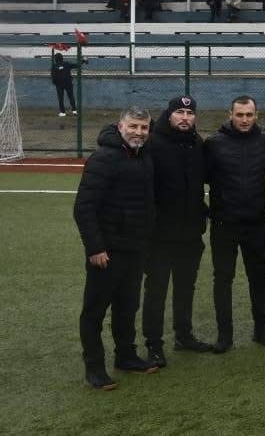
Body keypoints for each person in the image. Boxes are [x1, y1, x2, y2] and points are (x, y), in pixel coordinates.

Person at [75, 108, 157, 389]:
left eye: (144, 128)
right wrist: (95, 247)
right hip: (107, 251)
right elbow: (84, 207)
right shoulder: (104, 158)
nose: (138, 132)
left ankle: (126, 356)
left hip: (135, 248)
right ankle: (94, 368)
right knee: (95, 311)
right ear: (120, 126)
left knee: (127, 306)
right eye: (133, 126)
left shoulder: (144, 156)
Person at [141, 97, 213, 368]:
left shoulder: (196, 143)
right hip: (160, 235)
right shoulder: (152, 143)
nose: (185, 117)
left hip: (191, 233)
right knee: (156, 290)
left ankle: (184, 335)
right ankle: (154, 344)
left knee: (185, 287)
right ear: (169, 115)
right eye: (179, 112)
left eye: (189, 113)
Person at [205, 96, 265, 351]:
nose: (245, 119)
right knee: (223, 279)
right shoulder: (214, 143)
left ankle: (263, 329)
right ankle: (224, 335)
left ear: (256, 116)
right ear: (230, 114)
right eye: (240, 115)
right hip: (224, 224)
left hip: (255, 222)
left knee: (258, 276)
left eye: (249, 115)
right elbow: (201, 177)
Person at [51, 52, 77, 117]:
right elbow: (76, 65)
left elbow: (53, 76)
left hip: (59, 84)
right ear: (62, 58)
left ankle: (63, 112)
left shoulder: (54, 66)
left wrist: (55, 83)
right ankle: (74, 111)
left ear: (55, 59)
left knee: (60, 98)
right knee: (71, 97)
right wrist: (83, 61)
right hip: (68, 83)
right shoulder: (66, 64)